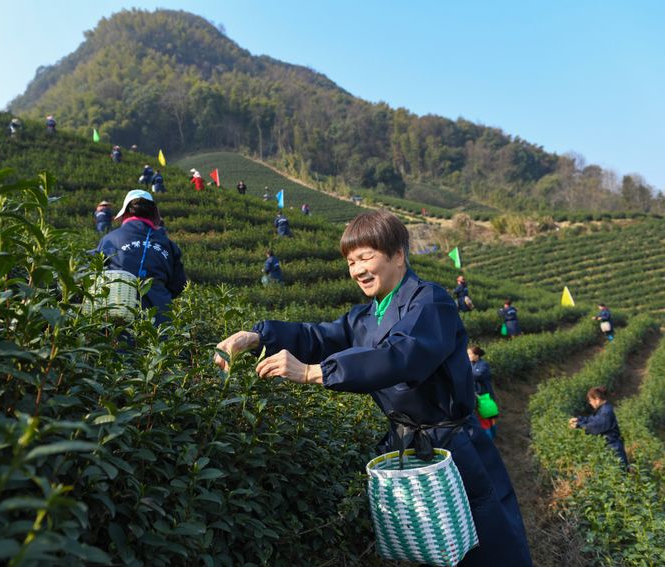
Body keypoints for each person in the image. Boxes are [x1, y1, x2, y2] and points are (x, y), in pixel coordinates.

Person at [214, 211, 531, 566]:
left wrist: (314, 373)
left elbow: (402, 355)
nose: (357, 270)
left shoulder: (430, 301)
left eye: (366, 257)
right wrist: (258, 336)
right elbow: (318, 336)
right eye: (351, 261)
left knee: (488, 543)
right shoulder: (364, 316)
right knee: (432, 545)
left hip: (453, 447)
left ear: (398, 255)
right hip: (410, 448)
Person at [93, 189, 186, 325]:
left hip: (118, 317)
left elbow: (96, 275)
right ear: (153, 215)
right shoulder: (168, 245)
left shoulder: (109, 239)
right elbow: (178, 284)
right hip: (159, 318)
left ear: (125, 214)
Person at [569, 386, 629, 470]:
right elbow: (593, 419)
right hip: (610, 445)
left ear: (597, 399)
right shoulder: (603, 409)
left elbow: (596, 425)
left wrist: (579, 425)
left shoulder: (606, 411)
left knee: (620, 472)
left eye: (590, 400)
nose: (590, 403)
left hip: (613, 446)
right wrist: (579, 419)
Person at [469, 346, 497, 439]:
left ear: (476, 355)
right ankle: (492, 439)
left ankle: (491, 440)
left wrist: (465, 372)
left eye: (470, 354)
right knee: (486, 420)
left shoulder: (483, 365)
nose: (468, 356)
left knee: (488, 420)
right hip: (478, 397)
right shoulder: (471, 365)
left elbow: (478, 375)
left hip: (484, 397)